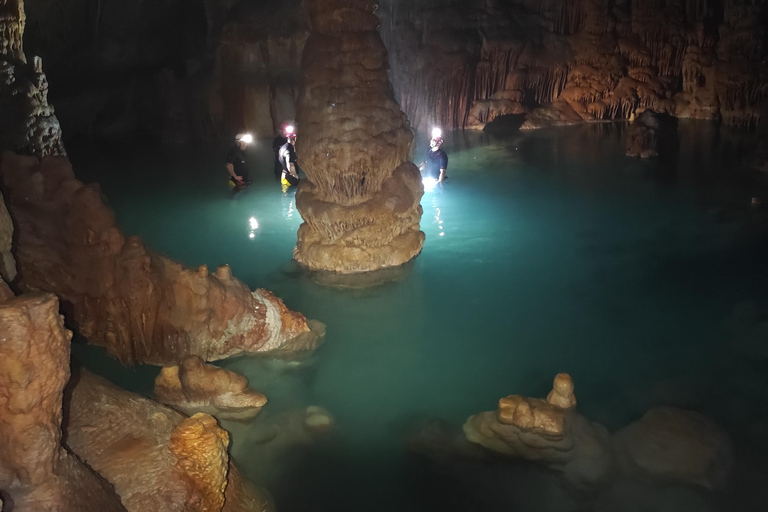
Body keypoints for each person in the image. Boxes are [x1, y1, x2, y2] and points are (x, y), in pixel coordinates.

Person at [278, 125, 300, 190]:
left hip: (284, 177)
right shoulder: (290, 149)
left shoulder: (282, 147)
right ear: (294, 138)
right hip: (290, 180)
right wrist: (295, 177)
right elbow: (290, 164)